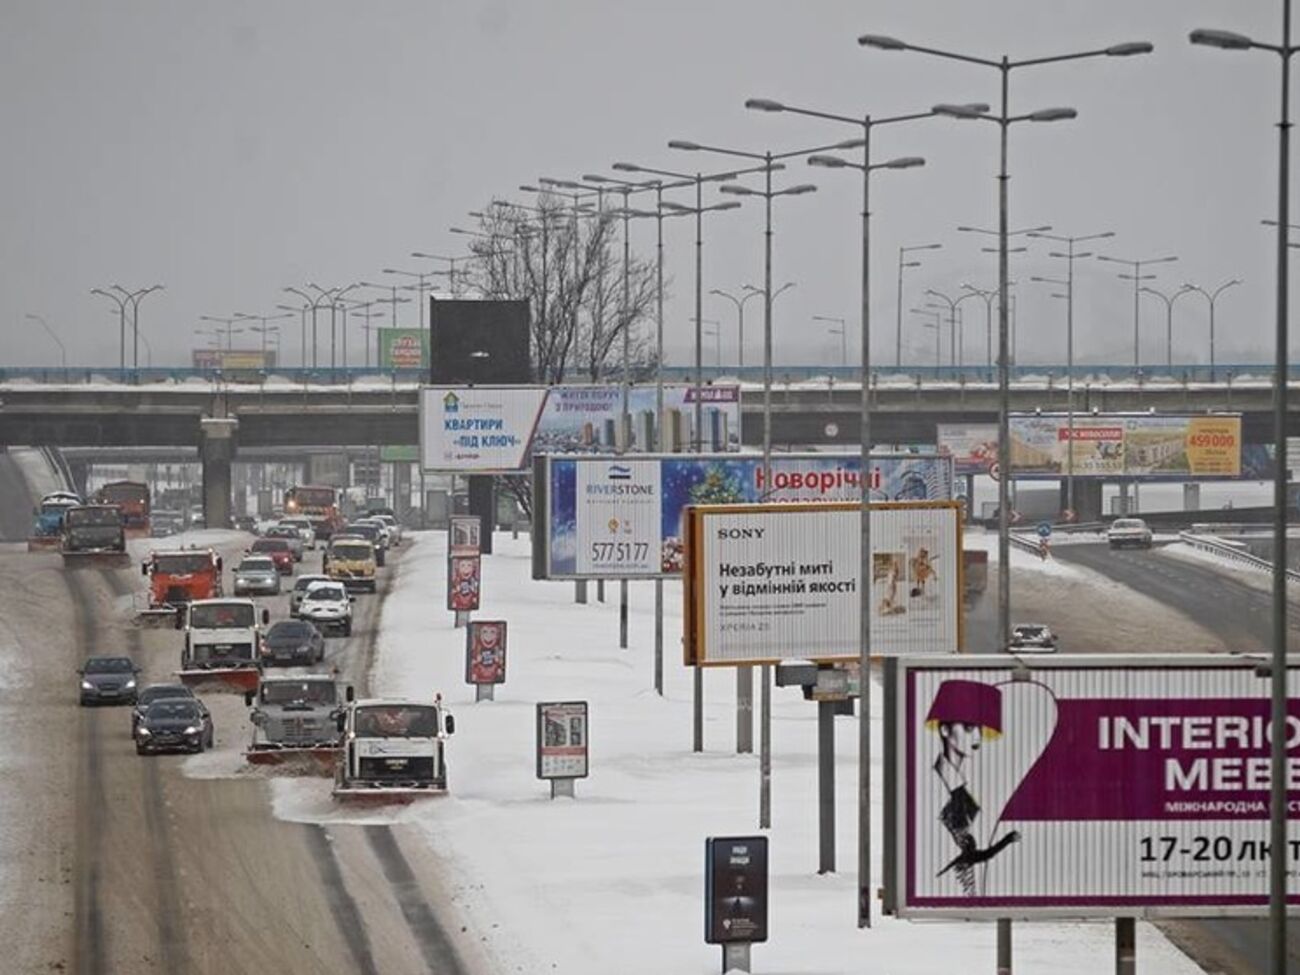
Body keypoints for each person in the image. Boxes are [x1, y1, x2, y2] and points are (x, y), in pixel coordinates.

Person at [924, 679, 1019, 895]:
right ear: (945, 730)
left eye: (978, 728)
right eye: (968, 728)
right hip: (947, 885)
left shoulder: (960, 785)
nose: (976, 736)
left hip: (962, 884)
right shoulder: (936, 787)